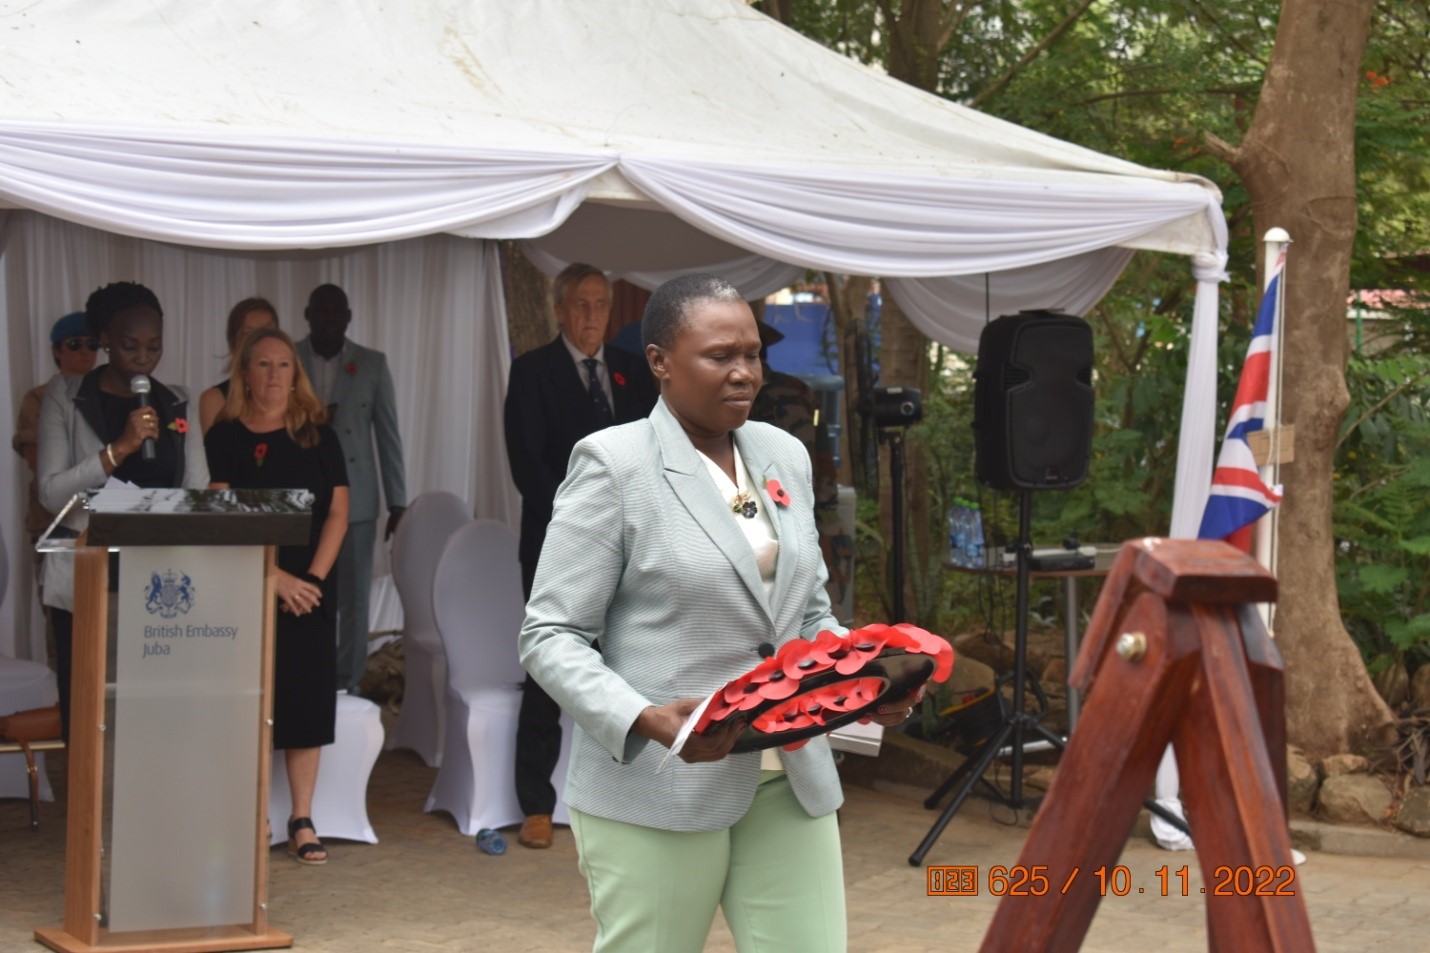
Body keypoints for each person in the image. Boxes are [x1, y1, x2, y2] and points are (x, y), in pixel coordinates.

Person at [518, 274, 918, 952]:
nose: (745, 372)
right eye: (719, 355)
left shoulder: (782, 454)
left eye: (753, 353)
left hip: (789, 775)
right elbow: (550, 635)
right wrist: (644, 718)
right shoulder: (615, 466)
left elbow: (805, 612)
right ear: (660, 363)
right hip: (661, 782)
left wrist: (862, 679)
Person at [503, 263, 658, 849]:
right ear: (560, 310)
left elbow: (653, 448)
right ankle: (536, 804)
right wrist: (590, 527)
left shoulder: (630, 372)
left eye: (601, 304)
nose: (593, 316)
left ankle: (629, 794)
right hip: (557, 545)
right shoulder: (532, 372)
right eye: (582, 305)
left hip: (635, 547)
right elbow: (530, 467)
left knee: (632, 662)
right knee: (551, 666)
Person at [37, 282, 210, 738]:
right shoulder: (65, 397)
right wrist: (120, 449)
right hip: (89, 576)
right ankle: (92, 808)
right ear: (104, 340)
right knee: (90, 713)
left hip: (161, 579)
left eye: (155, 346)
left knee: (154, 714)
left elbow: (198, 492)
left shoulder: (176, 400)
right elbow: (51, 493)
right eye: (130, 345)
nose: (144, 359)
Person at [205, 327, 349, 866]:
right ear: (245, 374)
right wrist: (271, 579)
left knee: (304, 701)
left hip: (310, 591)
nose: (273, 375)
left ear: (296, 376)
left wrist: (308, 580)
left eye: (283, 365)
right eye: (262, 364)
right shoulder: (223, 438)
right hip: (245, 589)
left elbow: (336, 514)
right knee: (251, 702)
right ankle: (254, 817)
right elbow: (220, 519)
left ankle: (302, 818)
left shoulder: (320, 436)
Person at [295, 284, 405, 696]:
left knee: (354, 598)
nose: (328, 319)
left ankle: (350, 682)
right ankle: (309, 674)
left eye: (335, 312)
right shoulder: (289, 358)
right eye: (320, 311)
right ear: (307, 315)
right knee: (306, 587)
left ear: (348, 317)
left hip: (357, 500)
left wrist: (398, 501)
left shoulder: (372, 364)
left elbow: (388, 435)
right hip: (302, 499)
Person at [747, 320, 854, 614]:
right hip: (812, 517)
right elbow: (823, 456)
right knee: (824, 622)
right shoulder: (799, 390)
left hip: (771, 524)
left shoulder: (738, 397)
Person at [12, 312, 99, 667]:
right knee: (60, 625)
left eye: (92, 344)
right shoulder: (40, 398)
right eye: (74, 345)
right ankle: (62, 705)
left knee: (102, 623)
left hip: (101, 523)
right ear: (56, 351)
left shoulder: (106, 393)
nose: (84, 352)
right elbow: (40, 460)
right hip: (56, 523)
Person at [198, 297, 279, 433]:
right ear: (233, 342)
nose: (260, 341)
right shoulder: (215, 399)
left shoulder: (293, 392)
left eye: (267, 332)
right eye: (249, 334)